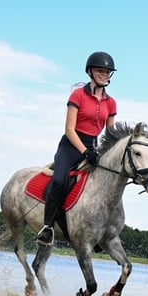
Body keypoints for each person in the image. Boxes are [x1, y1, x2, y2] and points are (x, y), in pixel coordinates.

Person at [36, 51, 117, 246]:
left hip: (93, 147)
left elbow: (111, 133)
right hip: (71, 145)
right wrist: (84, 152)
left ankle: (98, 231)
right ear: (90, 72)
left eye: (107, 72)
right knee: (59, 180)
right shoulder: (78, 95)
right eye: (100, 70)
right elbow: (69, 129)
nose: (104, 74)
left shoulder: (111, 102)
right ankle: (47, 228)